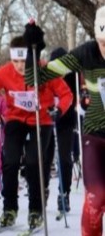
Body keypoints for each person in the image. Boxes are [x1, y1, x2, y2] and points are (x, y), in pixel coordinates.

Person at [22, 14, 105, 236]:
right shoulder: (86, 53)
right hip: (96, 136)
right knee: (95, 200)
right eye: (103, 42)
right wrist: (33, 50)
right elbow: (35, 79)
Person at [0, 34, 73, 231]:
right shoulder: (5, 72)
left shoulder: (44, 70)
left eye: (23, 61)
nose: (20, 66)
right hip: (16, 119)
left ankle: (35, 210)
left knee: (33, 161)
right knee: (10, 161)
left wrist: (59, 110)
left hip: (41, 120)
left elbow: (66, 94)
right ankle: (9, 209)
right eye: (16, 61)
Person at [48, 46, 79, 214]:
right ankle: (42, 189)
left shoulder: (73, 76)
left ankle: (64, 193)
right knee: (45, 156)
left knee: (64, 158)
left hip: (65, 121)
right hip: (47, 121)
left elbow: (74, 98)